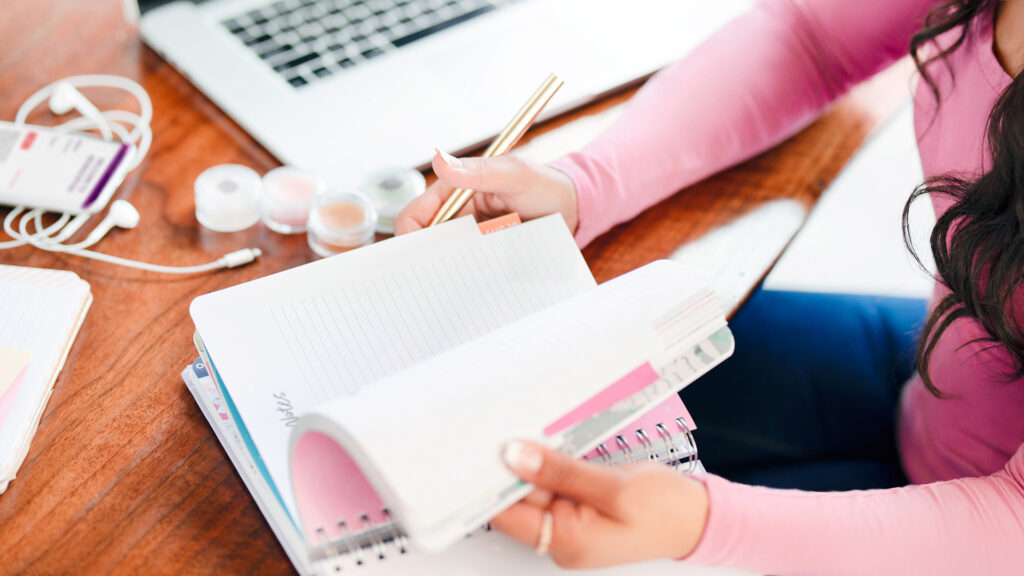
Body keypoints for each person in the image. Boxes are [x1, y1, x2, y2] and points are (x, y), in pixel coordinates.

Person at [394, 0, 1024, 572]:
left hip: (987, 532)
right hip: (931, 385)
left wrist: (701, 524)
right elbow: (811, 38)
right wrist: (582, 187)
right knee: (546, 372)